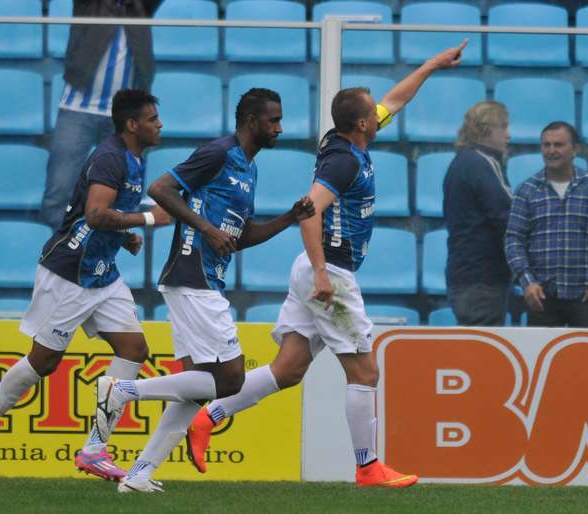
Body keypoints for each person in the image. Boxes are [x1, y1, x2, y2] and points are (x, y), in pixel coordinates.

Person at [184, 41, 469, 488]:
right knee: (364, 371)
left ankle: (209, 417)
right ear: (362, 123)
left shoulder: (347, 140)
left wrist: (433, 63)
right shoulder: (342, 161)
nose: (381, 114)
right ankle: (368, 466)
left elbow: (396, 99)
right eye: (372, 114)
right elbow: (310, 209)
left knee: (289, 368)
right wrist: (321, 273)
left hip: (316, 269)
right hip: (329, 273)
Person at [86, 88, 315, 493]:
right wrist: (206, 228)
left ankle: (139, 475)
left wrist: (289, 219)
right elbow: (160, 189)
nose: (280, 127)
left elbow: (240, 237)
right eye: (272, 120)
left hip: (205, 277)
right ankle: (122, 390)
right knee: (231, 380)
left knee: (195, 387)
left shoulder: (248, 168)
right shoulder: (218, 153)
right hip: (193, 276)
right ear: (250, 122)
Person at [0, 89, 172, 482]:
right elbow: (94, 213)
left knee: (134, 349)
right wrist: (147, 221)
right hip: (70, 272)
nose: (160, 125)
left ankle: (94, 449)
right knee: (45, 362)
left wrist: (124, 236)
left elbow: (101, 212)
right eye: (153, 118)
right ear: (131, 124)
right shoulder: (109, 158)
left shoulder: (134, 158)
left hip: (101, 271)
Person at [40, 0, 162, 230]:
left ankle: (106, 255)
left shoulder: (139, 7)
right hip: (77, 108)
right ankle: (59, 253)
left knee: (123, 198)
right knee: (59, 192)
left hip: (124, 119)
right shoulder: (90, 5)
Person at [505, 121, 588, 327]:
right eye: (546, 145)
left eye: (558, 145)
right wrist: (527, 282)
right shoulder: (526, 190)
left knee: (587, 358)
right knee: (541, 359)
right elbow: (513, 240)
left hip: (587, 296)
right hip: (542, 297)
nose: (551, 150)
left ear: (575, 149)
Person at [443, 101, 513, 325]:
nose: (508, 135)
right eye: (503, 127)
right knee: (485, 351)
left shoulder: (461, 162)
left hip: (464, 274)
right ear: (485, 130)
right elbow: (507, 216)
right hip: (483, 277)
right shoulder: (482, 163)